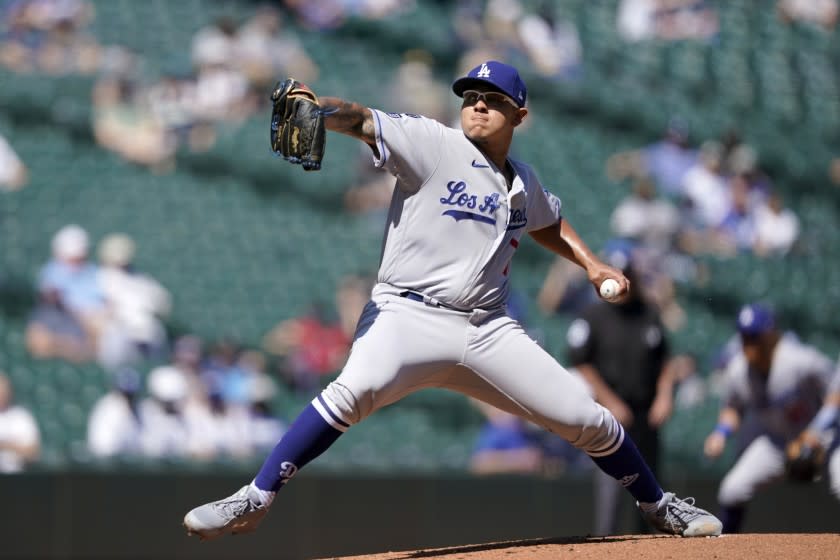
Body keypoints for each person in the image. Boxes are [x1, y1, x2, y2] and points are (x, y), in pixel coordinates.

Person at [183, 60, 722, 540]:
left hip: (488, 329)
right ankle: (255, 497)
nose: (478, 104)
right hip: (407, 314)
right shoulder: (433, 143)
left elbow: (548, 221)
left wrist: (592, 263)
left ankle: (657, 504)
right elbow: (362, 118)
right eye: (470, 97)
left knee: (590, 419)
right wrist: (319, 108)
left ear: (520, 115)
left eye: (492, 100)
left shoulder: (521, 180)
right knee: (353, 390)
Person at [565, 246, 676, 535]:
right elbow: (581, 363)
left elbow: (665, 360)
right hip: (609, 417)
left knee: (651, 492)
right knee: (611, 495)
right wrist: (610, 400)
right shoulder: (592, 316)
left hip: (645, 414)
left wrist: (664, 396)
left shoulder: (648, 314)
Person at [702, 303, 837, 533]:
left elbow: (835, 391)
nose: (749, 344)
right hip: (778, 442)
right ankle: (724, 553)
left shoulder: (799, 360)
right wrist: (720, 433)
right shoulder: (738, 371)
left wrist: (817, 429)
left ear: (770, 335)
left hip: (825, 438)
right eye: (745, 337)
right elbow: (733, 409)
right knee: (732, 489)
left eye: (754, 337)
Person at [0, 371, 41, 473]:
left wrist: (5, 445)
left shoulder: (21, 416)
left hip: (15, 474)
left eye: (3, 392)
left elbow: (33, 452)